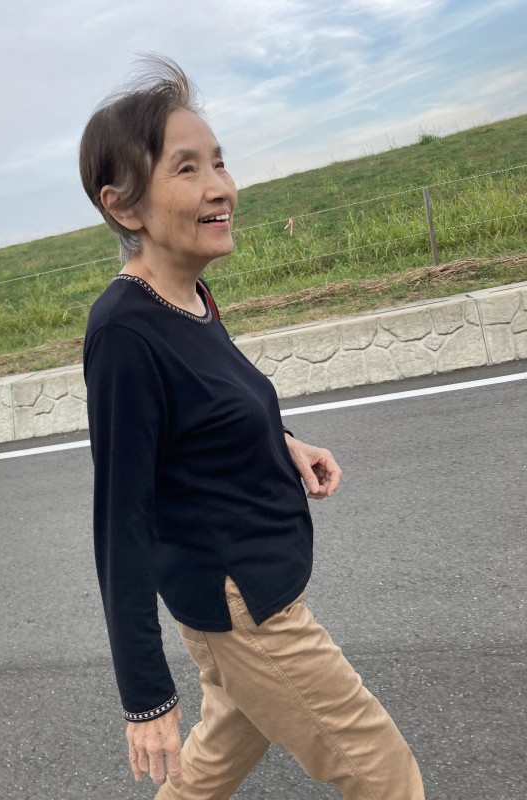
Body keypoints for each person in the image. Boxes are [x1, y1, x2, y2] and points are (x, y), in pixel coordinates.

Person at [80, 56, 425, 800]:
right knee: (383, 769)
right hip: (247, 610)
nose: (220, 187)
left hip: (250, 593)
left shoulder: (191, 297)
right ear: (125, 206)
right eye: (187, 168)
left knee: (215, 760)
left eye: (219, 162)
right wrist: (146, 696)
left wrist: (286, 443)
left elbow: (214, 408)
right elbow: (121, 519)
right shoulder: (124, 334)